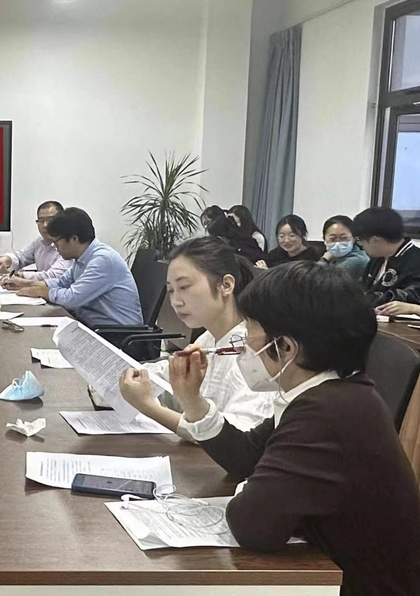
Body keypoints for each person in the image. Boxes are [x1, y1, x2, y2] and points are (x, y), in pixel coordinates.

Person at [134, 262, 420, 594]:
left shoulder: (327, 415)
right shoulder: (328, 392)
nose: (242, 346)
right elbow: (247, 457)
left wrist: (252, 487)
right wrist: (193, 401)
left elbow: (252, 526)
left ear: (285, 347)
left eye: (249, 334)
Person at [117, 238, 273, 435]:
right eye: (171, 291)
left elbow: (235, 436)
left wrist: (148, 406)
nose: (175, 301)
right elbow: (167, 376)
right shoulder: (209, 338)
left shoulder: (252, 351)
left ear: (226, 285)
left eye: (184, 287)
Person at [4, 207, 142, 327]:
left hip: (115, 335)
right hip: (90, 325)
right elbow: (61, 282)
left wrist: (41, 291)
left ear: (74, 239)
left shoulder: (102, 260)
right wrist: (25, 283)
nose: (55, 247)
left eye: (56, 242)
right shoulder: (81, 258)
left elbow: (71, 298)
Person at [0, 200, 71, 280]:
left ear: (61, 221)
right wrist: (7, 259)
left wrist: (20, 276)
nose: (45, 225)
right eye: (41, 221)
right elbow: (22, 257)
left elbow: (53, 276)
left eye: (50, 220)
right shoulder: (40, 242)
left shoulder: (69, 245)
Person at [354, 207, 420, 307]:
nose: (361, 245)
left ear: (375, 240)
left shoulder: (415, 261)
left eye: (360, 240)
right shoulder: (377, 258)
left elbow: (409, 297)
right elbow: (362, 287)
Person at [256, 215, 321, 268]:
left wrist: (268, 272)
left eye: (292, 235)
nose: (286, 240)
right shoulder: (275, 254)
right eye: (281, 236)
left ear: (303, 235)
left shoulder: (311, 257)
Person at [319, 215, 369, 282]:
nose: (338, 243)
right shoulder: (336, 257)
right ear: (324, 239)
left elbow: (319, 281)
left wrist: (324, 259)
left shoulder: (357, 260)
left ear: (354, 238)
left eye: (344, 238)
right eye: (332, 239)